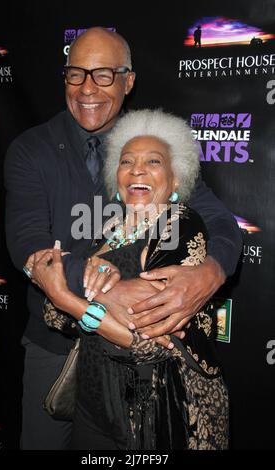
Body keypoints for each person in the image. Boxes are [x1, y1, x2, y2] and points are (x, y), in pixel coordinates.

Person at [4, 27, 242, 450]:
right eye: (76, 74)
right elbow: (28, 245)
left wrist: (210, 272)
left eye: (104, 75)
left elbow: (222, 226)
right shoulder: (31, 150)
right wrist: (104, 290)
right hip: (55, 346)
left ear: (128, 81)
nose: (87, 88)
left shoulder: (157, 151)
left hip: (141, 373)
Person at [33, 108, 229, 450]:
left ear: (176, 179)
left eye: (153, 162)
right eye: (126, 161)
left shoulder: (180, 226)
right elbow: (54, 315)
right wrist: (85, 297)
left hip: (154, 418)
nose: (136, 169)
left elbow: (151, 342)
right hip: (90, 411)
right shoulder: (106, 230)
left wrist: (72, 299)